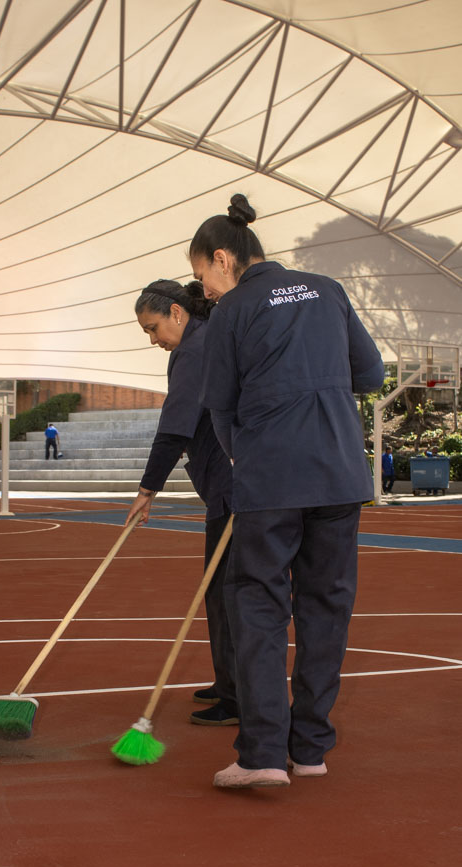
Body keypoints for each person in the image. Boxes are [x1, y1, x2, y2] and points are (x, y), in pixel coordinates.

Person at [190, 193, 385, 789]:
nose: (203, 292)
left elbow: (219, 406)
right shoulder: (327, 290)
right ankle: (310, 748)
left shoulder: (230, 313)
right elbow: (371, 374)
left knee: (258, 607)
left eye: (201, 277)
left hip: (271, 479)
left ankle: (263, 754)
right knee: (327, 608)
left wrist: (242, 451)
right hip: (338, 475)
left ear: (223, 258)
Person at [125, 279, 238, 726]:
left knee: (228, 592)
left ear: (176, 312)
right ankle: (229, 684)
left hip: (234, 487)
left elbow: (174, 427)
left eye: (154, 329)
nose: (154, 341)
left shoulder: (194, 350)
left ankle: (237, 697)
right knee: (222, 590)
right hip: (227, 483)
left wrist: (146, 491)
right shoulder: (200, 342)